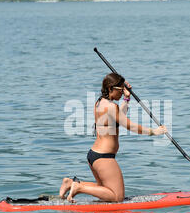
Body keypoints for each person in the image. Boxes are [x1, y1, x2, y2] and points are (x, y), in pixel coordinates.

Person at [59, 73, 167, 202]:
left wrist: (127, 99)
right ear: (110, 88)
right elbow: (130, 126)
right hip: (104, 157)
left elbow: (119, 118)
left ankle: (70, 183)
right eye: (120, 90)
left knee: (103, 188)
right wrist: (154, 132)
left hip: (94, 155)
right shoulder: (111, 107)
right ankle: (78, 188)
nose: (122, 93)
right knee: (117, 197)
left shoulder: (99, 103)